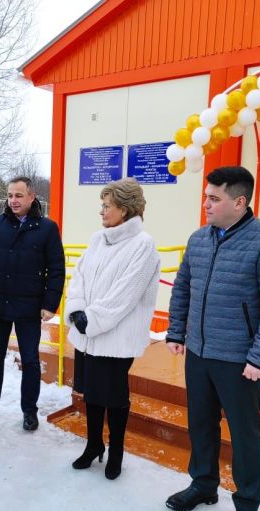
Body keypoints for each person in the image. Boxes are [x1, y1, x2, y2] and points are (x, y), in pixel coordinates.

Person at [165, 166, 260, 511]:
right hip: (200, 354)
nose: (205, 204)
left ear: (239, 202)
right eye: (206, 196)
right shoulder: (199, 239)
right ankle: (203, 484)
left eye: (214, 198)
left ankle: (248, 505)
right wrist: (177, 331)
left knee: (244, 434)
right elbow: (183, 288)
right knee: (201, 424)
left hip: (240, 361)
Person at [64, 178, 161, 480]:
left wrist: (91, 319)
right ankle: (94, 445)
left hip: (115, 337)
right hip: (87, 334)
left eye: (107, 206)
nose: (102, 212)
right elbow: (79, 275)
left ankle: (115, 452)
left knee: (114, 397)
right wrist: (77, 308)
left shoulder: (143, 246)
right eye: (102, 205)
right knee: (91, 394)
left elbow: (125, 294)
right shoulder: (98, 239)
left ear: (125, 209)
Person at [0, 176, 65, 431]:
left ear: (32, 197)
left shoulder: (47, 228)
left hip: (29, 307)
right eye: (10, 195)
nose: (13, 200)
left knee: (30, 360)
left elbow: (56, 269)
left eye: (19, 195)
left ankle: (29, 410)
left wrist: (49, 304)